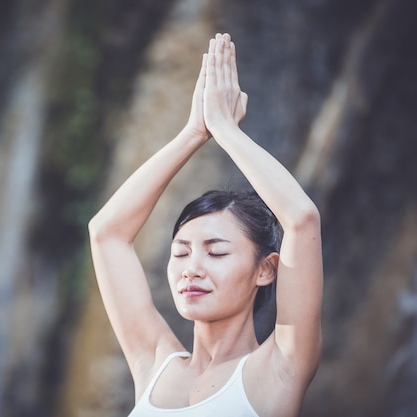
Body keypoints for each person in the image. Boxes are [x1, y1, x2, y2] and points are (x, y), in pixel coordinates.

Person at [88, 33, 323, 417]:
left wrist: (226, 131)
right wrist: (193, 133)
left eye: (215, 252)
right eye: (180, 252)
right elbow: (107, 233)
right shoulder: (153, 363)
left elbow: (301, 218)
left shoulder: (280, 368)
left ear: (265, 269)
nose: (191, 268)